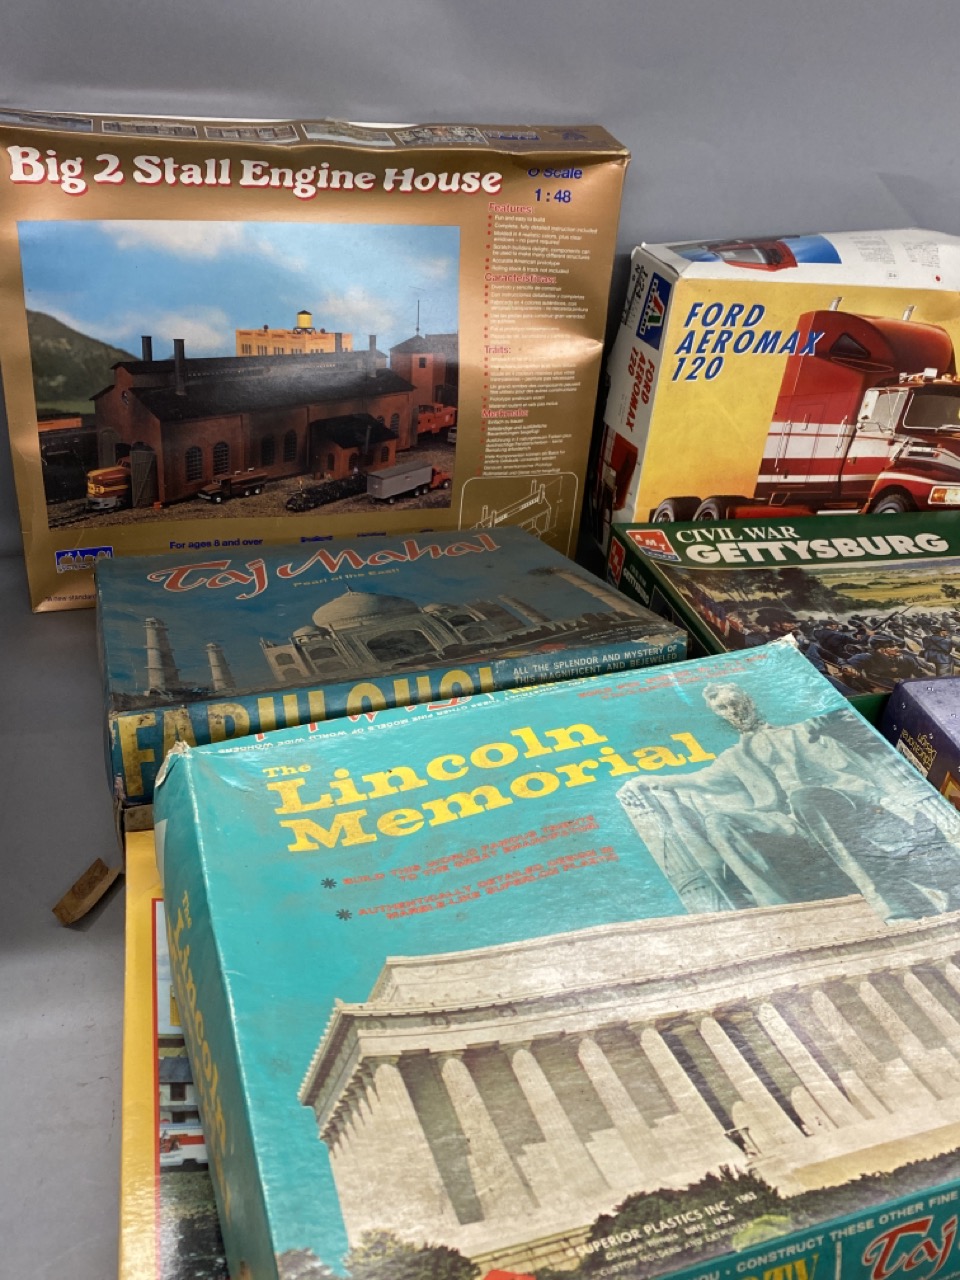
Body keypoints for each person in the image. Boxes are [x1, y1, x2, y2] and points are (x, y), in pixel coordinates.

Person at [617, 680, 960, 921]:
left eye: (735, 702)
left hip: (843, 805)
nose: (732, 710)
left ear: (749, 701)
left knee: (806, 797)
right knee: (720, 821)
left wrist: (884, 797)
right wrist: (646, 780)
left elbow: (849, 769)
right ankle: (779, 913)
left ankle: (887, 904)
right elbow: (700, 780)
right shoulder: (735, 757)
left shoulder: (802, 731)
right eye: (722, 707)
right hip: (791, 821)